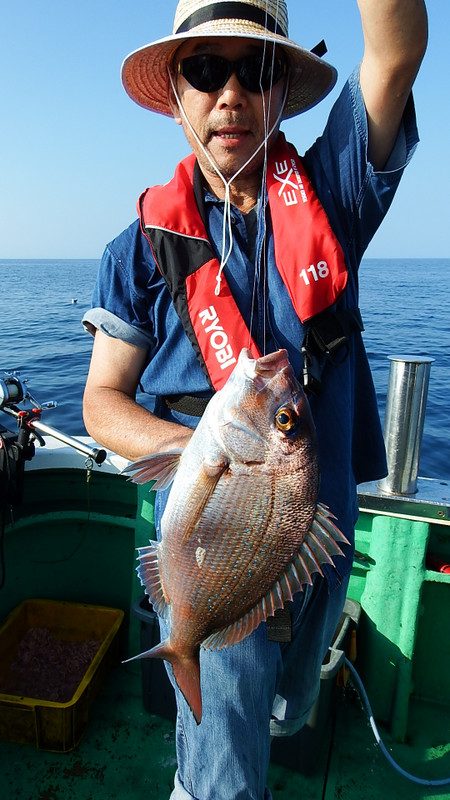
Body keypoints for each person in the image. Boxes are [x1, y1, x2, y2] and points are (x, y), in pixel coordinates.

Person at [82, 1, 428, 797]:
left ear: (280, 92)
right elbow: (101, 402)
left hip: (320, 546)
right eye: (206, 70)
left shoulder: (331, 195)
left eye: (254, 70)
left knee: (287, 709)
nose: (230, 94)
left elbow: (396, 49)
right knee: (225, 770)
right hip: (209, 543)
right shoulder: (138, 250)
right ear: (176, 93)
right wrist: (201, 454)